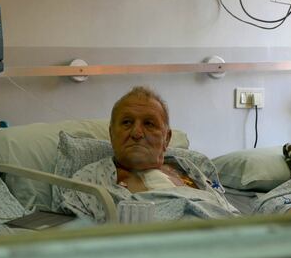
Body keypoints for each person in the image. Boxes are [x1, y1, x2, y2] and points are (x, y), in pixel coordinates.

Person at [59, 86, 239, 222]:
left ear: (167, 139)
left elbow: (227, 211)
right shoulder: (91, 179)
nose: (137, 133)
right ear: (112, 135)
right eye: (127, 122)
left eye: (149, 124)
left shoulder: (191, 170)